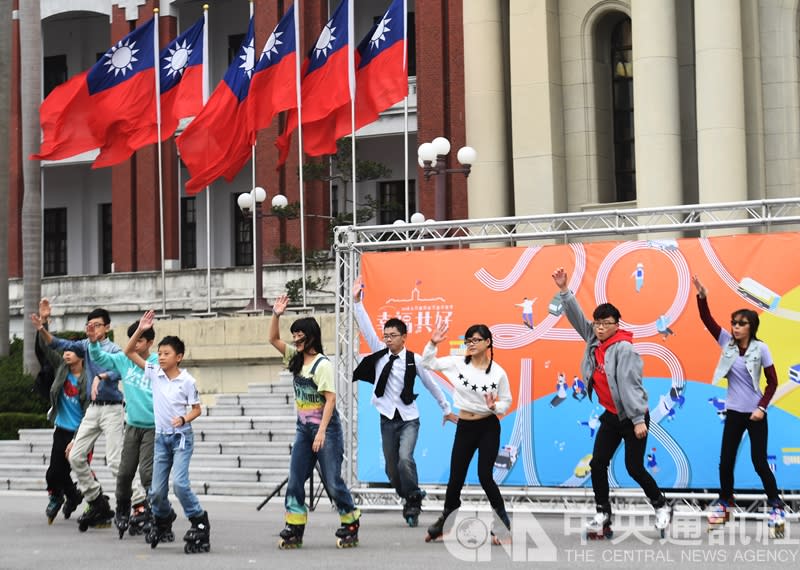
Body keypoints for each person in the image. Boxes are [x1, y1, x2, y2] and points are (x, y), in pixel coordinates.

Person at [551, 267, 670, 538]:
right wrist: (564, 291)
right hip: (611, 415)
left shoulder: (624, 349)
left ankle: (661, 505)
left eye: (606, 323)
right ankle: (603, 514)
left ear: (617, 324)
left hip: (632, 416)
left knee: (634, 467)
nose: (600, 328)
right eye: (598, 323)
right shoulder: (594, 339)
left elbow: (632, 386)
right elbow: (578, 319)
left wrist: (639, 420)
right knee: (598, 463)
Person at [352, 276, 457, 527]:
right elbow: (365, 326)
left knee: (404, 459)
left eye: (393, 335)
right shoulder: (379, 354)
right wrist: (357, 302)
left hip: (409, 418)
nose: (388, 339)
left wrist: (445, 408)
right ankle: (410, 494)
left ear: (404, 337)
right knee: (391, 469)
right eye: (386, 335)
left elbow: (432, 384)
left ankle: (412, 503)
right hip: (387, 418)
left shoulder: (415, 359)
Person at [691, 275, 784, 535]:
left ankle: (776, 505)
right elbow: (707, 321)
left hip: (755, 414)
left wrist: (761, 408)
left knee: (759, 462)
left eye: (741, 324)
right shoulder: (727, 344)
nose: (735, 327)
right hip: (734, 411)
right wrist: (702, 295)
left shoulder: (761, 349)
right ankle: (725, 502)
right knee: (726, 461)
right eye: (733, 323)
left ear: (751, 327)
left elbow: (773, 383)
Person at [269, 294, 361, 549]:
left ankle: (350, 520)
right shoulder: (295, 359)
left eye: (300, 334)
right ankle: (294, 526)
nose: (295, 339)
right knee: (296, 478)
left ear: (311, 336)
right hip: (303, 430)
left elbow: (330, 400)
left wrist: (321, 433)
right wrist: (276, 314)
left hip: (326, 430)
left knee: (332, 480)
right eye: (294, 334)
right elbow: (273, 339)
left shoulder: (322, 365)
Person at [33, 300, 124, 531]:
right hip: (91, 412)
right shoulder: (82, 346)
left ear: (107, 328)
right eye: (89, 325)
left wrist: (101, 377)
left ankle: (138, 503)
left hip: (111, 408)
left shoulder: (113, 350)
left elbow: (119, 369)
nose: (92, 328)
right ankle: (95, 501)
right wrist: (43, 326)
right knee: (73, 458)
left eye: (97, 325)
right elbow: (55, 344)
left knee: (114, 461)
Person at [125, 311, 210, 553]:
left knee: (180, 485)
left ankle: (200, 520)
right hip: (161, 439)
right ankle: (163, 519)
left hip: (181, 438)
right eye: (159, 353)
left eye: (166, 354)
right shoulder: (154, 372)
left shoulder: (187, 381)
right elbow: (129, 352)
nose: (161, 357)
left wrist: (184, 418)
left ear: (179, 357)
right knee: (156, 491)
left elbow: (197, 409)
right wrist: (140, 330)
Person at [422, 320, 513, 544]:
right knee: (456, 478)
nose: (471, 344)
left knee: (484, 475)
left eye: (476, 340)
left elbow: (507, 400)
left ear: (488, 342)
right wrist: (433, 343)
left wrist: (495, 407)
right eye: (468, 340)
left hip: (488, 426)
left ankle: (502, 525)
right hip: (465, 426)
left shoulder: (498, 373)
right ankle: (447, 521)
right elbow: (427, 363)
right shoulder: (457, 364)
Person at [89, 320, 157, 538]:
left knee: (147, 474)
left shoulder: (157, 362)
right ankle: (122, 508)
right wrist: (93, 343)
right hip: (132, 426)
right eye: (133, 341)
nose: (136, 345)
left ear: (150, 342)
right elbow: (100, 358)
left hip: (152, 428)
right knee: (125, 473)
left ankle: (154, 512)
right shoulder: (123, 360)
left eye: (141, 341)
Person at [32, 309, 89, 524]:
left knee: (74, 467)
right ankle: (66, 495)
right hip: (62, 428)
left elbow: (88, 410)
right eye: (65, 350)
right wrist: (43, 324)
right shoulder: (61, 369)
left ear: (81, 356)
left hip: (81, 431)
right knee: (54, 472)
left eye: (71, 351)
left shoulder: (86, 378)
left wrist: (78, 438)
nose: (66, 353)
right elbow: (47, 348)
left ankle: (91, 500)